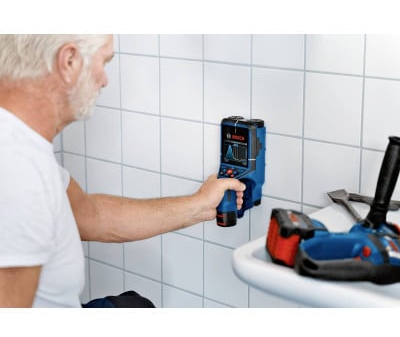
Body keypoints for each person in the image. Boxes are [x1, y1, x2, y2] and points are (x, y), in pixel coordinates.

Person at [0, 34, 246, 308]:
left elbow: (92, 215)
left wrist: (199, 205)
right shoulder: (20, 171)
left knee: (136, 306)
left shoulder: (19, 143)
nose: (104, 80)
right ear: (68, 61)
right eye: (103, 62)